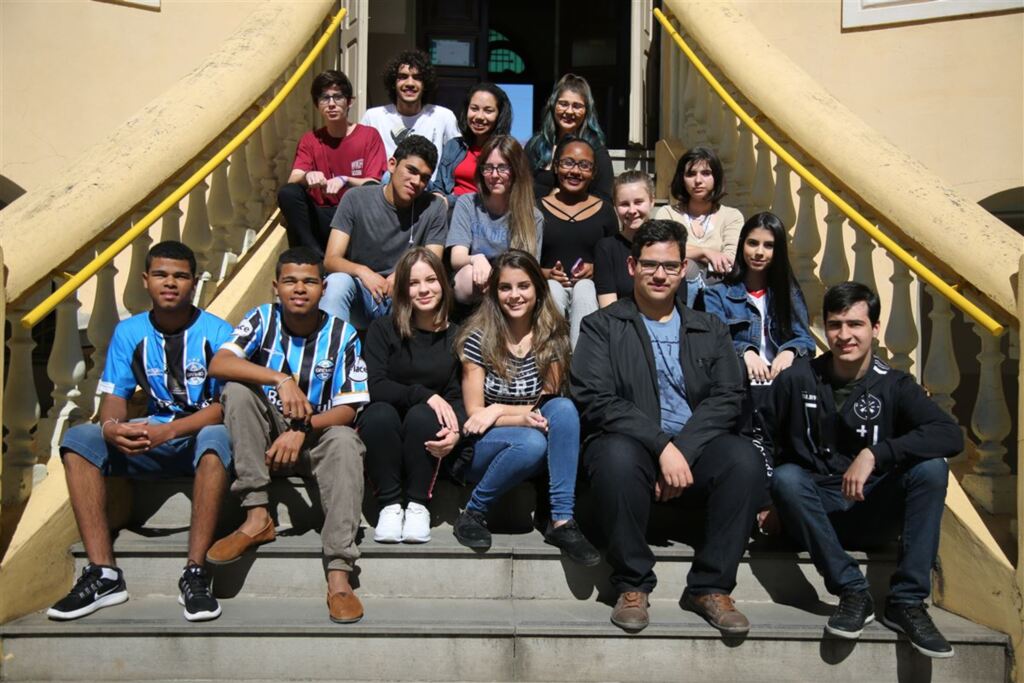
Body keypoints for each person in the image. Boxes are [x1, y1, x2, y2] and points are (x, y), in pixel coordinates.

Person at [570, 219, 765, 635]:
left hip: (695, 448)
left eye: (670, 266)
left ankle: (711, 587)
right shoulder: (602, 326)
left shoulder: (709, 327)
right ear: (632, 267)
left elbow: (728, 396)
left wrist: (683, 450)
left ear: (683, 270)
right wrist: (662, 446)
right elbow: (596, 398)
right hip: (634, 445)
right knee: (614, 456)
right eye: (650, 264)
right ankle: (631, 584)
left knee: (744, 460)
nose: (660, 274)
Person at [766, 282, 960, 658]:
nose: (844, 335)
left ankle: (907, 602)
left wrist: (876, 453)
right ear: (824, 328)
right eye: (835, 325)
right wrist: (766, 498)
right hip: (814, 512)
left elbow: (949, 435)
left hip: (872, 509)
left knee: (932, 468)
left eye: (855, 324)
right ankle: (853, 592)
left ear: (875, 328)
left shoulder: (895, 384)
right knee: (787, 478)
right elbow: (762, 436)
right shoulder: (797, 378)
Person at [48, 241, 233, 623]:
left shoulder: (217, 331)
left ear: (194, 282)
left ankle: (195, 572)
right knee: (79, 439)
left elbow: (227, 406)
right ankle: (104, 574)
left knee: (217, 438)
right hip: (150, 438)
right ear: (146, 280)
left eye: (180, 276)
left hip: (198, 436)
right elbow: (114, 397)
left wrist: (172, 432)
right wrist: (112, 428)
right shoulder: (129, 332)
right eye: (161, 275)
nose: (171, 283)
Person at [206, 247, 369, 624]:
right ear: (275, 286)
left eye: (309, 281)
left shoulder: (342, 333)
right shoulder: (261, 319)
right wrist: (281, 379)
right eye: (290, 281)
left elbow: (349, 408)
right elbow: (220, 363)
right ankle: (257, 516)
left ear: (323, 288)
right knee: (237, 391)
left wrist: (301, 429)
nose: (299, 289)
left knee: (347, 441)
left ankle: (339, 575)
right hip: (265, 437)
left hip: (317, 437)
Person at [453, 250, 599, 566]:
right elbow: (476, 414)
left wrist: (497, 409)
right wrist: (510, 415)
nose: (515, 295)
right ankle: (473, 512)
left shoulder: (552, 337)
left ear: (537, 289)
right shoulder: (477, 338)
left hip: (529, 435)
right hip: (485, 445)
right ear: (494, 293)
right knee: (532, 442)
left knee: (564, 408)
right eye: (505, 287)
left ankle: (562, 520)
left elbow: (546, 405)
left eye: (523, 286)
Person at [360, 248, 465, 544]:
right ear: (403, 290)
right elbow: (374, 385)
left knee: (422, 415)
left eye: (431, 280)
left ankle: (418, 505)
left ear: (443, 283)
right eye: (413, 283)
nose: (423, 290)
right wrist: (424, 395)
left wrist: (456, 430)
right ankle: (390, 505)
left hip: (427, 428)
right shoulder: (383, 329)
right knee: (379, 413)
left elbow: (458, 395)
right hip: (385, 425)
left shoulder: (457, 336)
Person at [320, 134, 447, 329]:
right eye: (411, 170)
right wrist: (363, 272)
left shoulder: (434, 206)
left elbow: (432, 260)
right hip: (363, 291)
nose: (416, 181)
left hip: (406, 293)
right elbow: (331, 259)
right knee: (337, 283)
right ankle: (330, 347)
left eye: (424, 178)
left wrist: (400, 276)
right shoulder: (355, 198)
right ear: (392, 164)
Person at [277, 70, 387, 256]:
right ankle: (314, 255)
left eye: (338, 97)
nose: (331, 104)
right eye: (324, 98)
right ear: (317, 105)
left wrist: (346, 179)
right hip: (321, 214)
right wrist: (307, 176)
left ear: (349, 102)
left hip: (355, 216)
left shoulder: (369, 135)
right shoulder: (310, 140)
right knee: (288, 193)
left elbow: (374, 184)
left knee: (369, 191)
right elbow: (293, 178)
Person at [704, 212, 816, 383]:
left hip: (780, 381)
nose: (759, 252)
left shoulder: (789, 292)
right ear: (742, 244)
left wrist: (789, 351)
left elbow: (806, 340)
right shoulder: (717, 294)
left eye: (769, 246)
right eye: (753, 243)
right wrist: (746, 352)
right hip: (740, 380)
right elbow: (714, 342)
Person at [538, 136, 618, 347]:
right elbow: (523, 260)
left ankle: (582, 361)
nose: (575, 171)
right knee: (553, 289)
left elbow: (615, 257)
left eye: (584, 165)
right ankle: (551, 359)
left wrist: (596, 268)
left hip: (591, 292)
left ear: (593, 172)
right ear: (556, 166)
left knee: (585, 288)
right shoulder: (536, 209)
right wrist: (546, 273)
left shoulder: (605, 211)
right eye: (568, 163)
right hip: (548, 289)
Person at [447, 135, 544, 304]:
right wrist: (476, 258)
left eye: (502, 168)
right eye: (488, 168)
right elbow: (457, 257)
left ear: (516, 170)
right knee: (467, 276)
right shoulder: (467, 203)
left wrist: (497, 279)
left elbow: (527, 268)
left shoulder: (533, 216)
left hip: (511, 288)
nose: (494, 175)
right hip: (475, 285)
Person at [361, 49, 459, 181]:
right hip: (385, 188)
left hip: (429, 188)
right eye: (403, 77)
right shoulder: (373, 117)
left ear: (425, 84)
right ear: (393, 83)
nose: (410, 83)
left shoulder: (444, 117)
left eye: (417, 78)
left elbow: (457, 160)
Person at [654, 146, 743, 290]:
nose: (698, 180)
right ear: (682, 179)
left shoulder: (731, 216)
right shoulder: (667, 213)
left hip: (717, 291)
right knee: (690, 268)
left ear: (716, 177)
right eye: (691, 174)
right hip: (678, 291)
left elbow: (727, 261)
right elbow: (664, 250)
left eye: (706, 173)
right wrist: (706, 252)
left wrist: (686, 251)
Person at [525, 73, 614, 202]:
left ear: (587, 111)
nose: (569, 111)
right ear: (553, 106)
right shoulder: (536, 145)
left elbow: (604, 198)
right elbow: (521, 189)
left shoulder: (596, 150)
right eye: (563, 104)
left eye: (577, 106)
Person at [428, 83, 513, 208]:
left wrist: (450, 201)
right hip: (449, 212)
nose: (479, 116)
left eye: (488, 111)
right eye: (474, 109)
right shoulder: (454, 145)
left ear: (499, 115)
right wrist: (438, 197)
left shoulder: (507, 151)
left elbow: (498, 197)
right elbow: (439, 186)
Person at [595, 170, 655, 308]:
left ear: (652, 201)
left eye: (638, 202)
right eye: (624, 204)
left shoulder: (666, 244)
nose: (632, 210)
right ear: (615, 206)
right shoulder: (606, 248)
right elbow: (608, 307)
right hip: (620, 320)